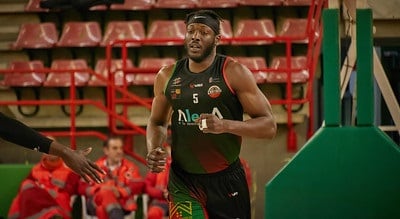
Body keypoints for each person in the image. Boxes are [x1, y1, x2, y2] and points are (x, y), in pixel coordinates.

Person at [145, 9, 277, 219]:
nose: (195, 36)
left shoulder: (234, 72)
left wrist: (225, 125)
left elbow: (269, 126)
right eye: (191, 31)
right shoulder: (167, 76)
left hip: (226, 180)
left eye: (203, 32)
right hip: (183, 181)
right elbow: (157, 121)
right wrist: (154, 148)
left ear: (217, 39)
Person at [0, 112, 104, 183]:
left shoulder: (68, 171)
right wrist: (65, 152)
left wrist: (65, 152)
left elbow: (8, 127)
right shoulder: (36, 170)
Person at [79, 135, 144, 219]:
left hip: (122, 203)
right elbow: (81, 187)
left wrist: (120, 192)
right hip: (95, 202)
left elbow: (138, 185)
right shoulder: (95, 167)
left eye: (121, 148)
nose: (119, 151)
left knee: (101, 209)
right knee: (105, 193)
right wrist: (101, 190)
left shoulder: (131, 167)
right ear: (106, 150)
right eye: (115, 148)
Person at [8, 153, 81, 219]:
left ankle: (52, 214)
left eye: (54, 150)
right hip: (36, 197)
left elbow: (72, 189)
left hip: (57, 198)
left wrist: (54, 190)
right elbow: (24, 186)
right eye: (48, 150)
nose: (51, 153)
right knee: (27, 186)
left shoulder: (68, 170)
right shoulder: (35, 169)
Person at [144, 146, 171, 219]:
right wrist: (161, 193)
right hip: (161, 202)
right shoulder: (157, 165)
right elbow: (147, 187)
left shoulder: (186, 167)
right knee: (153, 214)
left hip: (181, 202)